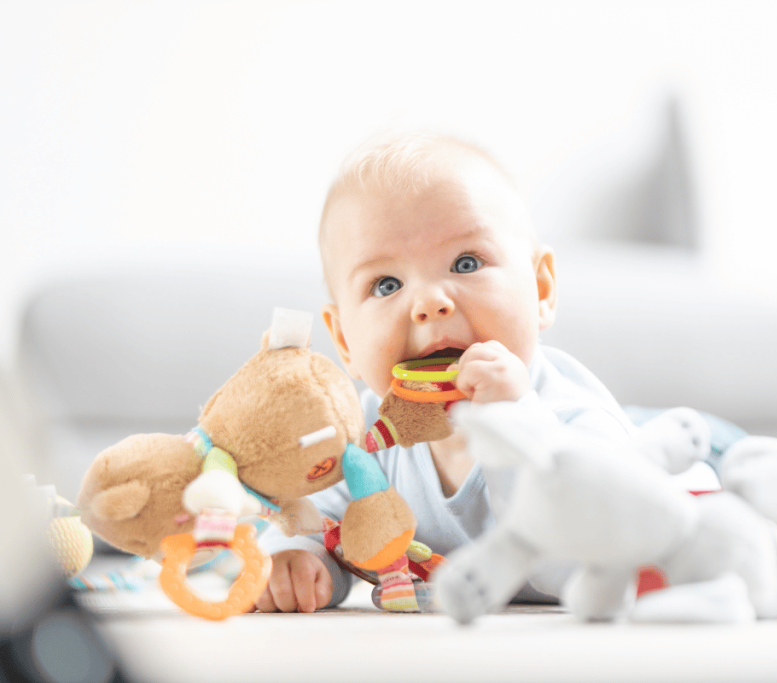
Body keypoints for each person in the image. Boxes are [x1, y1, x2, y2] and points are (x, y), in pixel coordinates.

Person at [254, 131, 639, 613]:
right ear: (346, 342)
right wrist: (298, 560)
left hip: (661, 443)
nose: (430, 302)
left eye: (466, 261)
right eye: (386, 283)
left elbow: (593, 564)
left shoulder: (576, 418)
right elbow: (317, 520)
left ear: (541, 291)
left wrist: (516, 428)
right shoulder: (366, 440)